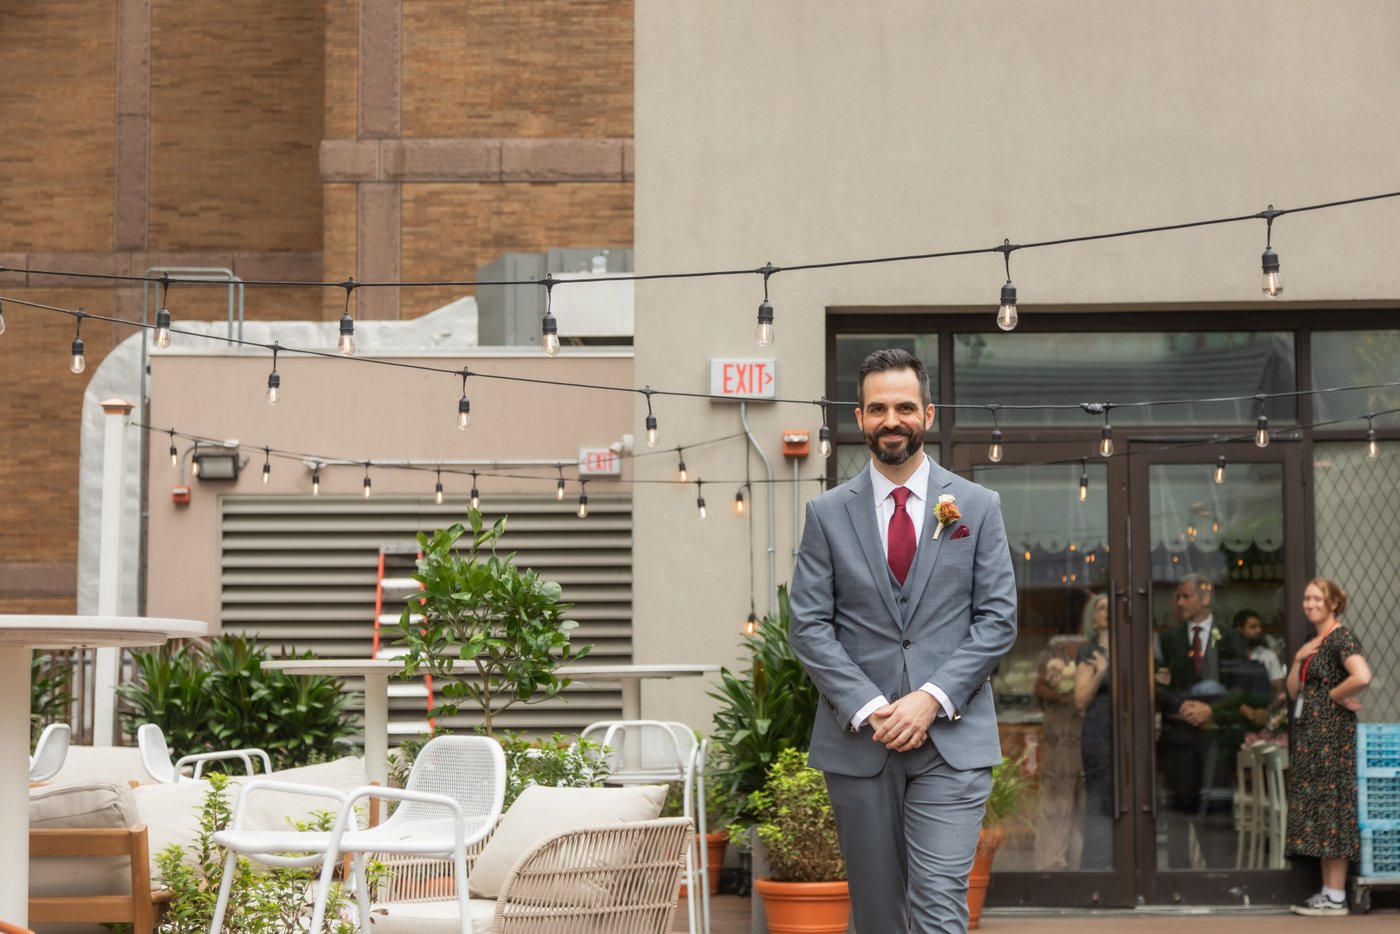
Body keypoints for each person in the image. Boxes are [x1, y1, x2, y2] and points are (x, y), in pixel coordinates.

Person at [789, 347, 1017, 933]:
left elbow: (997, 620)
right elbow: (809, 626)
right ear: (860, 419)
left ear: (929, 415)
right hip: (861, 745)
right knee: (878, 915)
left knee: (940, 904)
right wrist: (870, 708)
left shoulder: (977, 507)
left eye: (905, 407)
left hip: (952, 742)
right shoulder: (826, 514)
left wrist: (931, 698)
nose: (892, 419)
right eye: (878, 408)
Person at [1285, 577, 1372, 917]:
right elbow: (1294, 693)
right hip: (1312, 737)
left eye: (1316, 598)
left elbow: (1361, 676)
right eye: (1306, 598)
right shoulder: (1313, 642)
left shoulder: (1340, 637)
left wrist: (1335, 695)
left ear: (1333, 603)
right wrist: (1296, 659)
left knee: (1332, 810)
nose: (1309, 604)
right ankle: (1328, 892)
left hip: (1331, 737)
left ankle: (1336, 895)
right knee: (1321, 811)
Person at [1154, 574, 1250, 867]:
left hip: (1216, 740)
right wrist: (1183, 706)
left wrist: (1212, 712)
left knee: (1218, 810)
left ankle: (1220, 876)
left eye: (1186, 596)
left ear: (1205, 598)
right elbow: (1155, 685)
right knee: (1179, 813)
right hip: (1178, 740)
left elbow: (1241, 686)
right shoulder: (1166, 639)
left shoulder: (1231, 638)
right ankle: (1178, 881)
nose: (1180, 602)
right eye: (1177, 597)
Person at [1031, 626, 1084, 871]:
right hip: (1059, 729)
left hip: (1083, 727)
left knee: (1082, 799)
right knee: (1056, 799)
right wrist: (1063, 696)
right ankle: (1052, 860)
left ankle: (1079, 860)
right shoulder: (1052, 651)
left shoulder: (1091, 650)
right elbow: (1039, 687)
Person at [1074, 593, 1113, 869]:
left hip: (1127, 730)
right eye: (1101, 608)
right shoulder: (1089, 653)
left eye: (1112, 607)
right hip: (1099, 730)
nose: (1108, 612)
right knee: (1099, 797)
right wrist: (1100, 673)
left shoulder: (1134, 648)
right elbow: (1080, 700)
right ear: (1094, 618)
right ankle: (1097, 868)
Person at [1233, 608, 1287, 726]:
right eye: (1253, 627)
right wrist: (1244, 709)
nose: (1259, 630)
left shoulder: (1268, 655)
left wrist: (1267, 711)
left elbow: (1279, 690)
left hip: (1263, 720)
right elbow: (1226, 690)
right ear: (1239, 630)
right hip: (1235, 720)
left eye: (1259, 626)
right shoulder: (1230, 655)